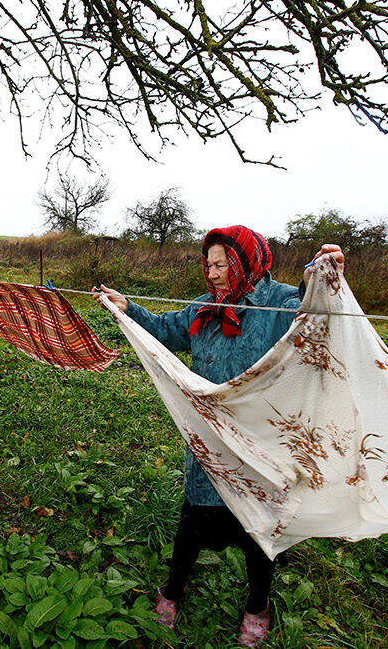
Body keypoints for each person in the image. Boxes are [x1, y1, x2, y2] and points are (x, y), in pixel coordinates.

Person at [97, 226, 344, 647]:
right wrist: (128, 308)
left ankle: (256, 605)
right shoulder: (202, 309)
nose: (211, 273)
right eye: (208, 264)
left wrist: (322, 274)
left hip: (260, 441)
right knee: (194, 519)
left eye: (221, 264)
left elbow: (311, 307)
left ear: (246, 261)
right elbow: (166, 330)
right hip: (211, 441)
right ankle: (173, 589)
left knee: (259, 529)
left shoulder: (278, 304)